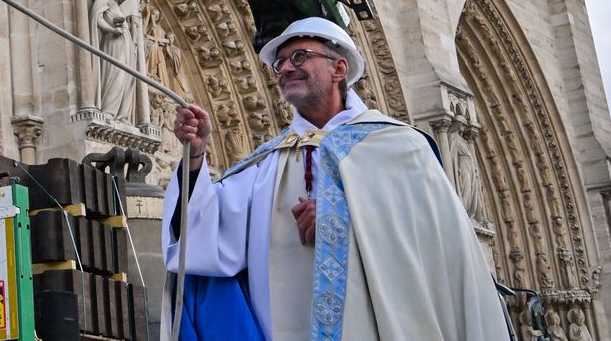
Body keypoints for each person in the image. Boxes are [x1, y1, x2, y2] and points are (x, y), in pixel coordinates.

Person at [162, 17, 507, 341]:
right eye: (279, 63)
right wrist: (195, 154)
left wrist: (337, 217)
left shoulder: (399, 146)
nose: (285, 68)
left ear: (339, 68)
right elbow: (202, 238)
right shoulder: (267, 163)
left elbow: (433, 243)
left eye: (300, 56)